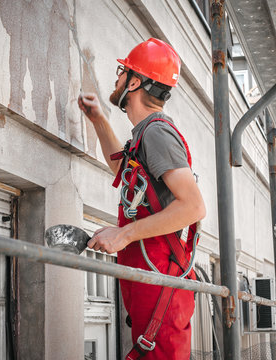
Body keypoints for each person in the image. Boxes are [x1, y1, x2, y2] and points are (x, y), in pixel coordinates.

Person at [78, 38, 205, 360]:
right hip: (152, 270)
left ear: (135, 81)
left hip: (161, 272)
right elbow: (123, 169)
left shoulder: (156, 133)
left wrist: (122, 234)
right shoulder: (145, 135)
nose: (117, 78)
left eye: (122, 72)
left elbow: (192, 206)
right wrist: (98, 120)